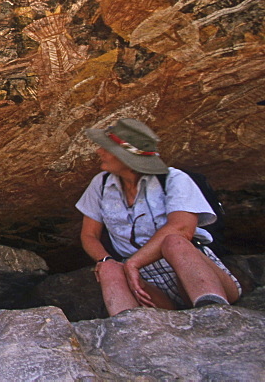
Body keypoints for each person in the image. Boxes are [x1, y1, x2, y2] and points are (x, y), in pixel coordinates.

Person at [76, 118, 242, 316]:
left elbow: (182, 228)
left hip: (191, 269)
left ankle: (214, 314)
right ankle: (130, 328)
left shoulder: (174, 179)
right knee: (108, 269)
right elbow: (89, 234)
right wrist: (107, 259)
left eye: (107, 148)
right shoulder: (101, 184)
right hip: (141, 280)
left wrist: (134, 263)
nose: (99, 151)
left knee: (175, 242)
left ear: (126, 158)